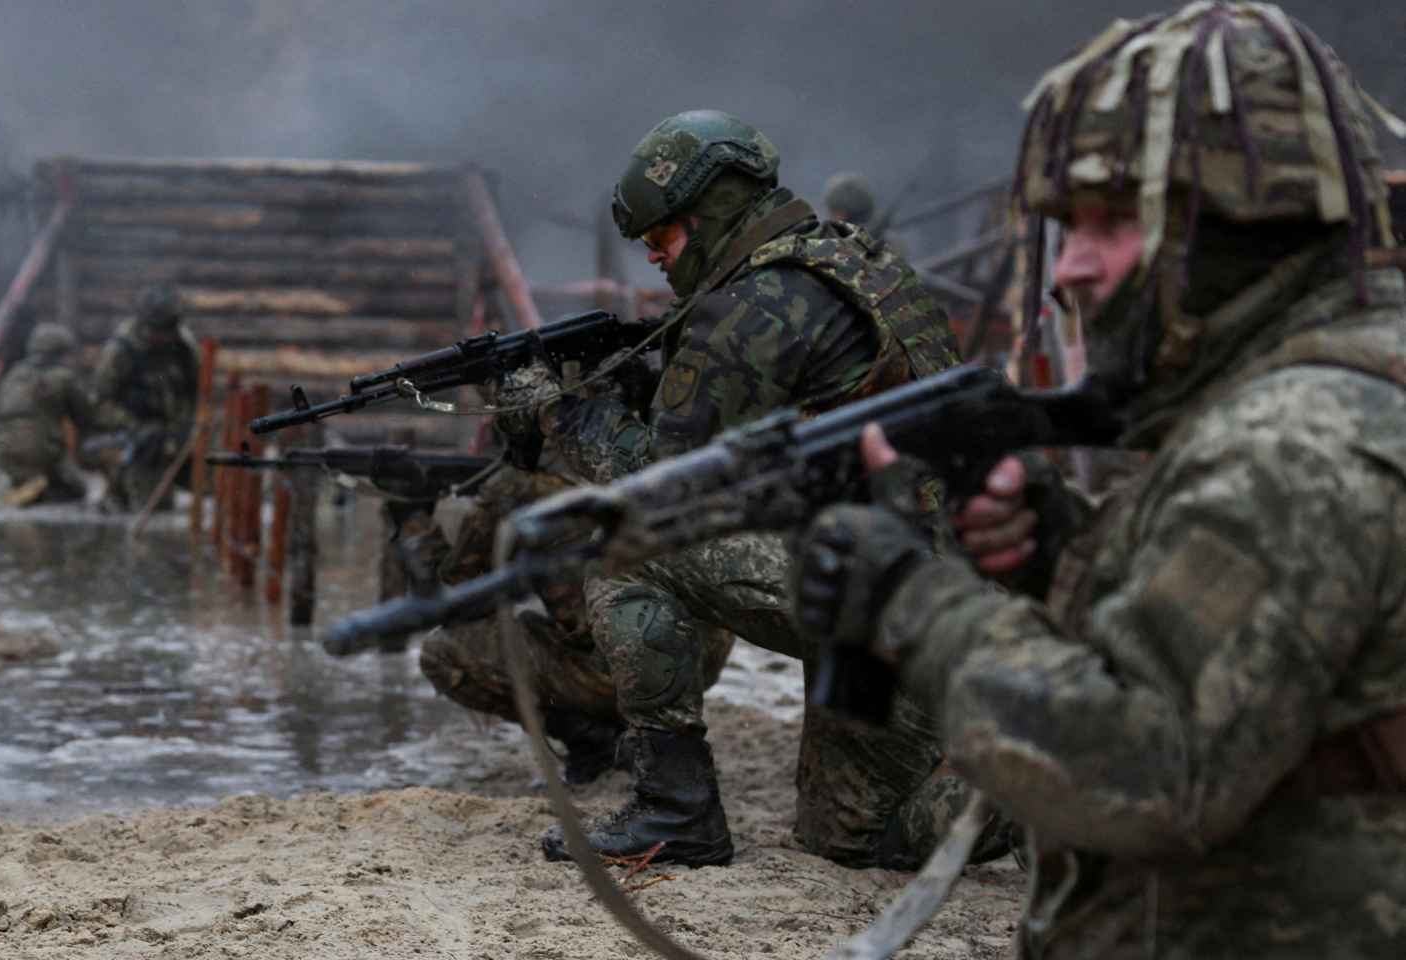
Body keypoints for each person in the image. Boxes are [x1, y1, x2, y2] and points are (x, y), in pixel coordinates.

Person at [793, 4, 1406, 955]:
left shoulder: (1290, 441)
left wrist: (918, 603)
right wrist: (1069, 552)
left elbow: (1150, 768)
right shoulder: (1353, 380)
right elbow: (1290, 664)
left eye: (1114, 223)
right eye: (1065, 226)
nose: (1069, 269)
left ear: (1246, 225)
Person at [499, 109, 992, 869]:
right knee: (855, 841)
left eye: (662, 234)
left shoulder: (754, 305)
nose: (654, 255)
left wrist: (561, 409)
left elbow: (658, 484)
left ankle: (675, 808)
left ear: (713, 210)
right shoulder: (848, 261)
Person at [411, 461, 735, 785]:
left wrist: (415, 520)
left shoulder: (520, 483)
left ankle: (592, 739)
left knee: (441, 653)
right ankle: (631, 729)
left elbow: (461, 595)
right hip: (701, 661)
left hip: (621, 671)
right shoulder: (653, 446)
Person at [91, 283, 200, 511]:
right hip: (140, 436)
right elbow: (100, 404)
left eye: (169, 328)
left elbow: (196, 392)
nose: (164, 336)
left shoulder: (184, 348)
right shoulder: (121, 351)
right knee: (156, 506)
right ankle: (119, 486)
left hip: (178, 432)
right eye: (158, 329)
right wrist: (135, 426)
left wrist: (188, 426)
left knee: (216, 480)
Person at [0, 323, 94, 506]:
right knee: (77, 490)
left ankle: (19, 486)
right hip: (40, 450)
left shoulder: (14, 373)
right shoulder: (63, 377)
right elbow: (86, 417)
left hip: (0, 448)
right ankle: (41, 489)